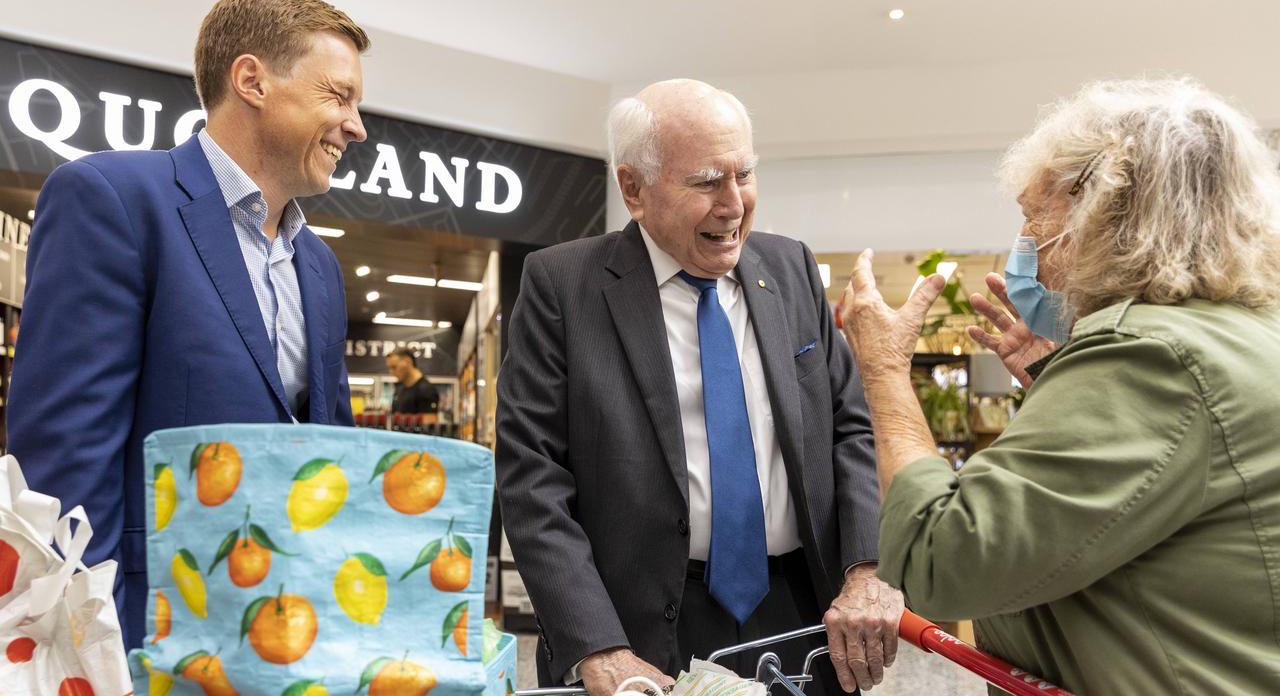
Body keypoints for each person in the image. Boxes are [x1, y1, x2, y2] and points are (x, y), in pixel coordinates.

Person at [839, 78, 1280, 693]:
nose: (1022, 247)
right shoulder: (1242, 332)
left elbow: (943, 558)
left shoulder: (1150, 354)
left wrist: (884, 371)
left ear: (1107, 213)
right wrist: (1059, 381)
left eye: (1032, 216)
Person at [496, 79, 901, 696]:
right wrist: (597, 646)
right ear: (632, 188)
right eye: (707, 181)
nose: (734, 204)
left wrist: (865, 569)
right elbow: (532, 478)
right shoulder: (562, 286)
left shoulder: (790, 268)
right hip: (639, 634)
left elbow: (849, 429)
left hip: (799, 614)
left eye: (745, 174)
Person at [7, 0, 368, 649]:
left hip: (288, 635)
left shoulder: (318, 264)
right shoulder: (112, 200)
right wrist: (103, 652)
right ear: (253, 81)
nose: (356, 125)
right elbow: (64, 468)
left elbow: (330, 456)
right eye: (337, 96)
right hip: (153, 636)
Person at [386, 346, 441, 415]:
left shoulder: (427, 390)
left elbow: (429, 422)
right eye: (390, 368)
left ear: (408, 362)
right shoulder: (399, 389)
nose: (391, 372)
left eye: (394, 367)